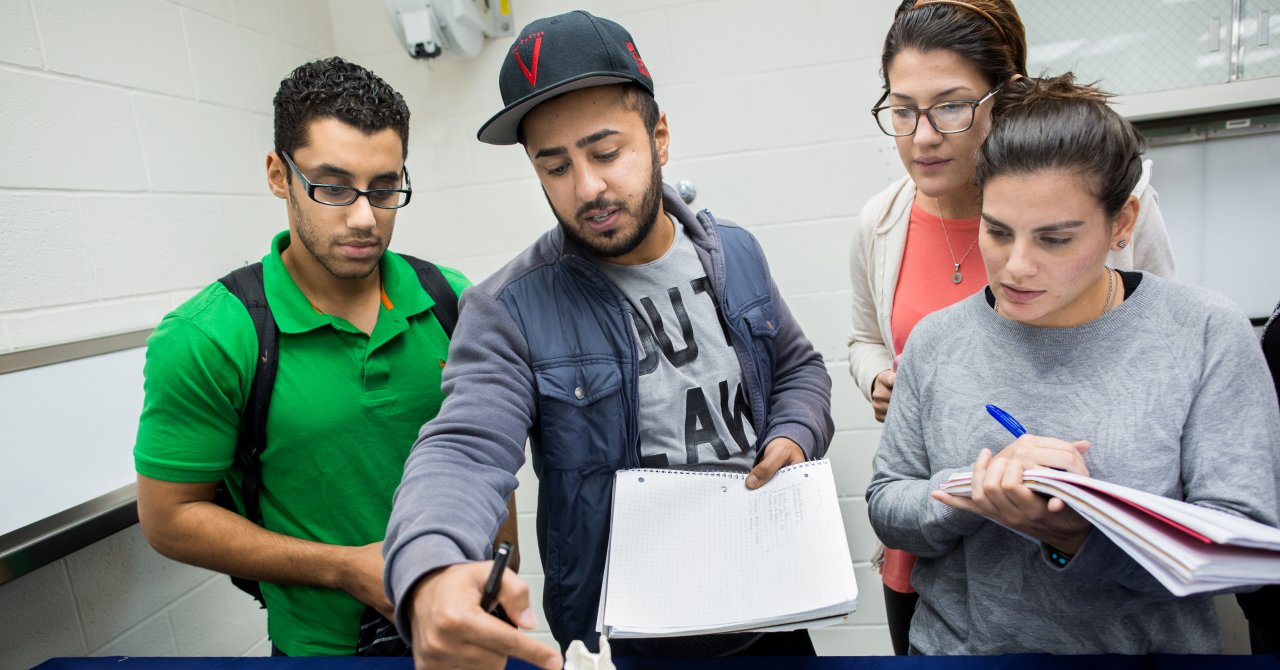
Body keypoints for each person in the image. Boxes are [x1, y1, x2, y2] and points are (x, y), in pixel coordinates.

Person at [381, 11, 834, 669]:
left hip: (771, 612)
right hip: (623, 638)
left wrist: (791, 435)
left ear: (659, 136)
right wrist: (430, 566)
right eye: (555, 166)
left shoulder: (733, 252)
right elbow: (464, 447)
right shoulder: (507, 309)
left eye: (606, 151)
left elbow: (800, 368)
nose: (587, 188)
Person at [865, 73, 1280, 654]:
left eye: (1055, 239)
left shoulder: (1205, 333)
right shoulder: (938, 340)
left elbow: (1242, 556)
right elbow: (888, 504)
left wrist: (1079, 533)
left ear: (1123, 223)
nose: (1016, 267)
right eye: (998, 231)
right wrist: (972, 493)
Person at [133, 57, 516, 656]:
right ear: (278, 175)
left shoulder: (452, 300)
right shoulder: (211, 337)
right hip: (325, 650)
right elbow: (170, 518)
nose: (365, 216)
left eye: (386, 187)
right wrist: (344, 567)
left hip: (469, 634)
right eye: (333, 186)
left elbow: (488, 460)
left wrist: (495, 585)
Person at [846, 0, 1177, 654]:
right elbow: (861, 340)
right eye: (902, 109)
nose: (922, 136)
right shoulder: (880, 223)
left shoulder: (1102, 205)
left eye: (950, 106)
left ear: (1007, 97)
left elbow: (1167, 360)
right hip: (936, 555)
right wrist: (880, 378)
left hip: (1081, 557)